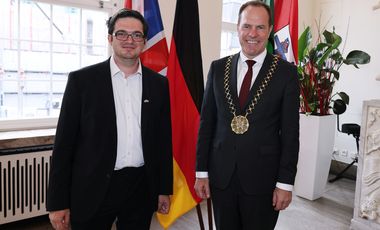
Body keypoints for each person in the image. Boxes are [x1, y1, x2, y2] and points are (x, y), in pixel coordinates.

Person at [46, 9, 173, 230]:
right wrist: (57, 203)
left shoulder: (159, 85)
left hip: (140, 187)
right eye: (122, 33)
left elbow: (162, 141)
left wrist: (164, 188)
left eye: (136, 35)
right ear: (110, 38)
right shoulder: (82, 82)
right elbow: (64, 146)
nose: (129, 40)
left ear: (144, 41)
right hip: (92, 188)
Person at [194, 1, 299, 229]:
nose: (253, 34)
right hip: (221, 177)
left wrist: (285, 183)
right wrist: (201, 172)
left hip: (263, 180)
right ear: (238, 28)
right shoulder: (218, 68)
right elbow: (207, 123)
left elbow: (290, 134)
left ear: (270, 30)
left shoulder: (286, 74)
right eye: (247, 26)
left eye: (260, 27)